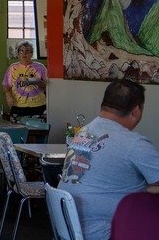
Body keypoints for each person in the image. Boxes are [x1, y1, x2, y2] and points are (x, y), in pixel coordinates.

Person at [59, 79, 159, 240]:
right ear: (136, 111)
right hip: (104, 232)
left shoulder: (83, 132)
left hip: (70, 229)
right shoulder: (132, 143)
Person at [2, 40, 47, 121]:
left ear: (31, 53)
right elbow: (5, 85)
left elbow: (47, 86)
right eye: (21, 51)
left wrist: (36, 81)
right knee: (19, 132)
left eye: (27, 51)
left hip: (38, 106)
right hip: (18, 107)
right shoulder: (13, 68)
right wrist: (8, 95)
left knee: (39, 132)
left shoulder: (40, 67)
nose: (24, 54)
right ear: (18, 54)